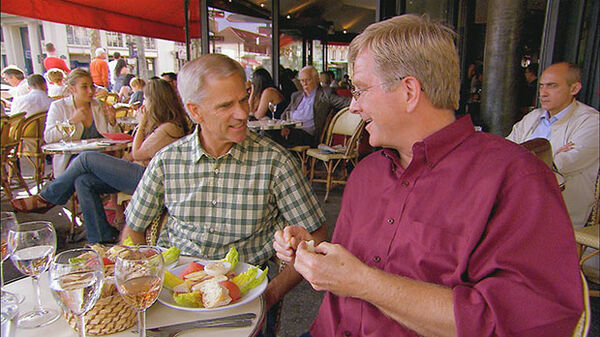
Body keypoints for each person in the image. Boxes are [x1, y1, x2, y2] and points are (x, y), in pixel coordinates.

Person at [273, 14, 583, 337]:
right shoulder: (367, 172)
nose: (353, 107)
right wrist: (315, 252)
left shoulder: (516, 179)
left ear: (409, 91)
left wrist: (364, 283)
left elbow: (531, 323)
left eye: (361, 90)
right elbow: (356, 262)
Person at [121, 54, 328, 320]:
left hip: (242, 300)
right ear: (195, 111)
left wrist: (268, 298)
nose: (242, 113)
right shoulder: (167, 161)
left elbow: (317, 236)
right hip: (172, 298)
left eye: (244, 99)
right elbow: (134, 231)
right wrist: (141, 286)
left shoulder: (275, 162)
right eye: (226, 105)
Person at [11, 78, 191, 244]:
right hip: (141, 173)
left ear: (156, 101)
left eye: (146, 99)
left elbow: (137, 153)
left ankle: (48, 197)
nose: (144, 103)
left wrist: (141, 123)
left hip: (152, 179)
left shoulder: (170, 127)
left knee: (86, 158)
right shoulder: (163, 125)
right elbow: (131, 153)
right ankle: (100, 237)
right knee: (84, 181)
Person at [507, 62, 599, 229]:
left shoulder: (591, 121)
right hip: (518, 199)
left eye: (552, 86)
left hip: (560, 208)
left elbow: (563, 164)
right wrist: (552, 154)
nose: (543, 93)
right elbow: (505, 151)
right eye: (541, 86)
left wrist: (525, 156)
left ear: (574, 89)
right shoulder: (533, 117)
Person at [43, 68, 121, 177]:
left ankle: (50, 193)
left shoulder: (98, 105)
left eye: (92, 86)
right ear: (72, 88)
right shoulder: (59, 106)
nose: (90, 91)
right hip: (71, 160)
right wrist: (71, 122)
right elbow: (48, 137)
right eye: (84, 87)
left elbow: (114, 138)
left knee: (84, 175)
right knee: (83, 177)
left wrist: (112, 122)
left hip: (101, 158)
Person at [275, 66, 350, 147]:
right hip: (290, 130)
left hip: (309, 136)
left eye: (307, 80)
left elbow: (345, 102)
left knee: (280, 138)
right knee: (266, 132)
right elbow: (285, 115)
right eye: (302, 81)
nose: (304, 83)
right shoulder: (296, 96)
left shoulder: (325, 94)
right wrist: (284, 127)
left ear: (316, 79)